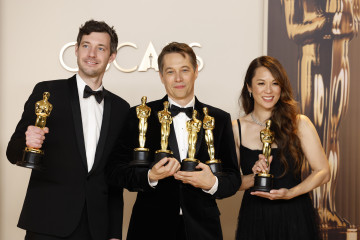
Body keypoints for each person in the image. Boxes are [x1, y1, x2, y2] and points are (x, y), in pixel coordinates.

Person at [6, 20, 129, 240]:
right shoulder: (47, 92)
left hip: (96, 229)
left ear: (111, 56)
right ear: (76, 49)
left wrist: (114, 233)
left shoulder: (122, 109)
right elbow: (12, 151)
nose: (91, 53)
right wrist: (27, 143)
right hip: (47, 223)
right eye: (85, 45)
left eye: (100, 48)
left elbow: (114, 177)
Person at [107, 42, 241, 240]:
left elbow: (233, 178)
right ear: (161, 76)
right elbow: (115, 171)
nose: (178, 78)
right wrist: (150, 176)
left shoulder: (219, 119)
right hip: (149, 228)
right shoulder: (139, 115)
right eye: (170, 71)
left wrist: (212, 183)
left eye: (184, 70)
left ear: (196, 71)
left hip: (203, 230)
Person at [232, 56, 330, 240]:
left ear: (281, 88)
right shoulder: (236, 129)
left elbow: (323, 171)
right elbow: (232, 183)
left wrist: (291, 193)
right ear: (249, 87)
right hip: (255, 218)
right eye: (261, 83)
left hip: (295, 216)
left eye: (275, 83)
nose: (268, 90)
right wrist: (254, 177)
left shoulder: (299, 124)